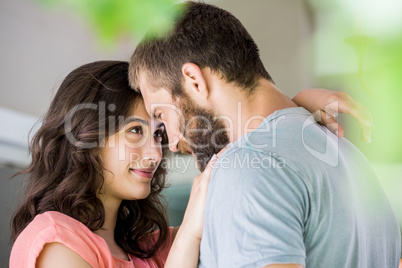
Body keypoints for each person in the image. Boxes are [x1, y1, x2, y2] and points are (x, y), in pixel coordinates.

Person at [129, 2, 401, 268]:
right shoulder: (345, 153)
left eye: (161, 115)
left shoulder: (246, 170)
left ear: (194, 82)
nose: (173, 144)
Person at [9, 60, 219, 268]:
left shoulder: (156, 249)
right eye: (135, 130)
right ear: (87, 138)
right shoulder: (55, 241)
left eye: (157, 134)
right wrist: (187, 239)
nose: (156, 154)